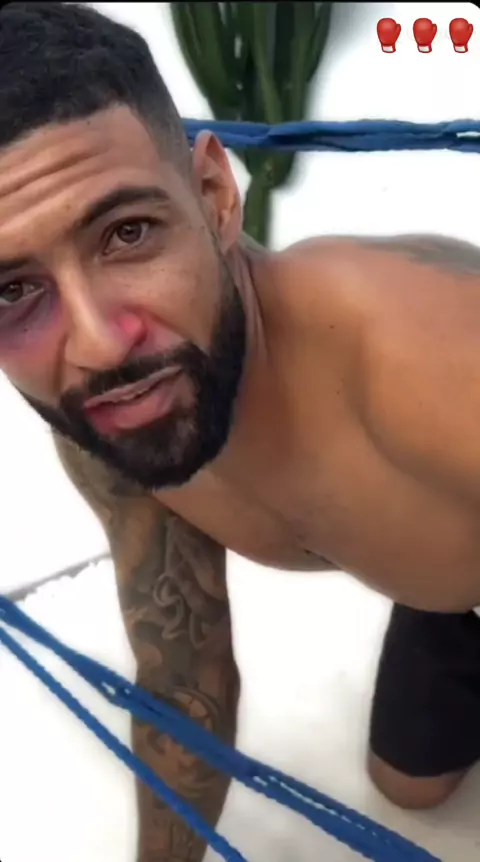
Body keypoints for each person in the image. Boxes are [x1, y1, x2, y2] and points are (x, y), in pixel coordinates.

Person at [1, 2, 480, 858]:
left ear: (217, 197)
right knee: (408, 789)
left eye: (128, 233)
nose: (99, 345)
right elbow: (183, 679)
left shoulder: (435, 364)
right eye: (11, 290)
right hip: (446, 577)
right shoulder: (113, 416)